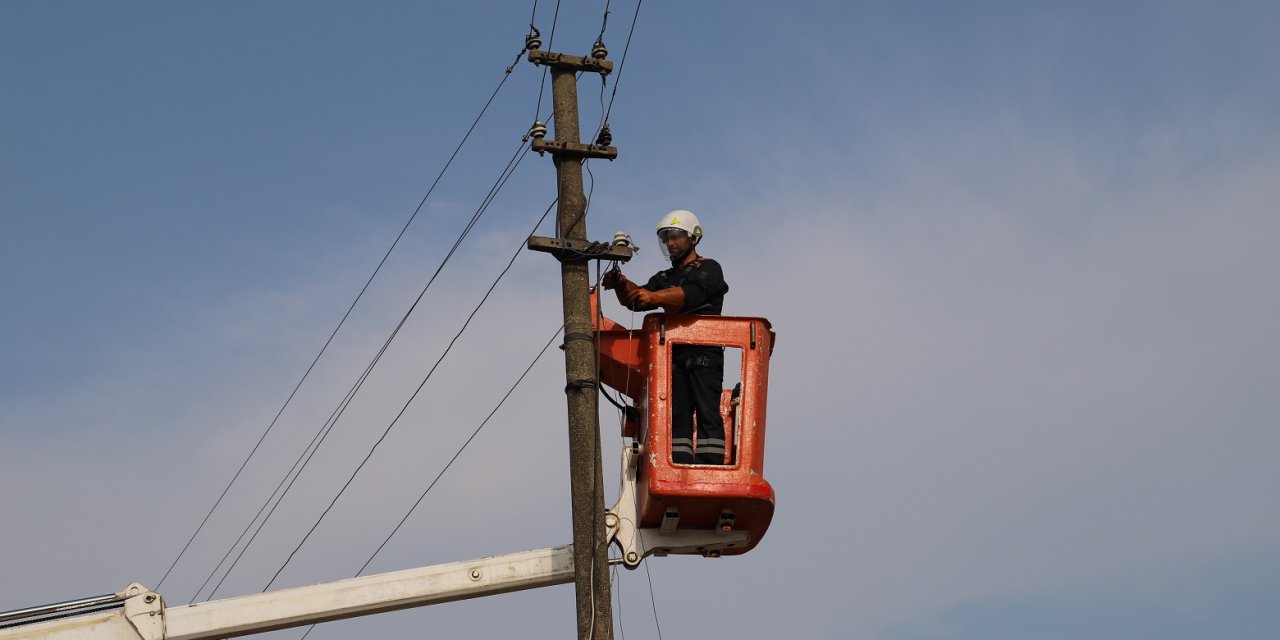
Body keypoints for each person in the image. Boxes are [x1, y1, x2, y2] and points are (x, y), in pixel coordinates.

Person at [601, 210, 729, 465]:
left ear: (693, 239)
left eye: (676, 237)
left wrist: (654, 298)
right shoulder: (665, 278)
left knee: (707, 411)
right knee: (678, 413)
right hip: (675, 354)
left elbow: (692, 295)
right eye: (666, 238)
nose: (670, 243)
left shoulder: (709, 269)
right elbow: (638, 300)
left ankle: (711, 465)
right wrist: (621, 284)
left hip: (705, 352)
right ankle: (679, 465)